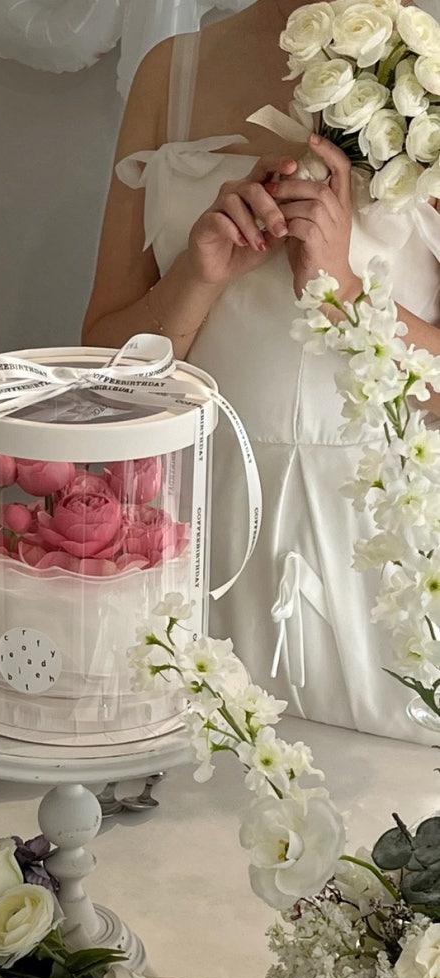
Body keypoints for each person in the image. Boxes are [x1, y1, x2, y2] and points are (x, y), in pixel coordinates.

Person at [83, 0, 440, 742]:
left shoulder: (429, 73)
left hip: (385, 541)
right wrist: (198, 275)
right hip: (200, 522)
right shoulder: (170, 73)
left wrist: (344, 293)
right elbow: (102, 374)